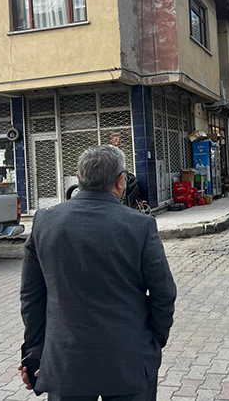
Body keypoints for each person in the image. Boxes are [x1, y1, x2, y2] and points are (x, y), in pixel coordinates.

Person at [19, 145, 177, 401]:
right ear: (120, 181)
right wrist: (154, 340)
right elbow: (164, 293)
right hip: (128, 359)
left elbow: (31, 297)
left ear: (79, 180)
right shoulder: (139, 225)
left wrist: (33, 352)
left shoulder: (44, 222)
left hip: (66, 364)